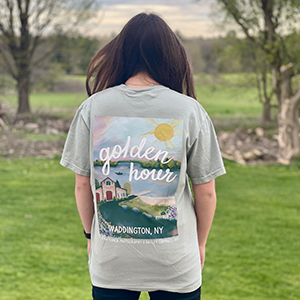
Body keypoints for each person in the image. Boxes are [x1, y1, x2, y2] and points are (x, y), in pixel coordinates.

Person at [60, 12, 226, 300]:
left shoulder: (92, 108)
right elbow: (206, 192)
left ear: (120, 53)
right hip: (175, 263)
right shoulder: (189, 110)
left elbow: (82, 185)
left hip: (112, 263)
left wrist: (90, 237)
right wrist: (199, 244)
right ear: (172, 56)